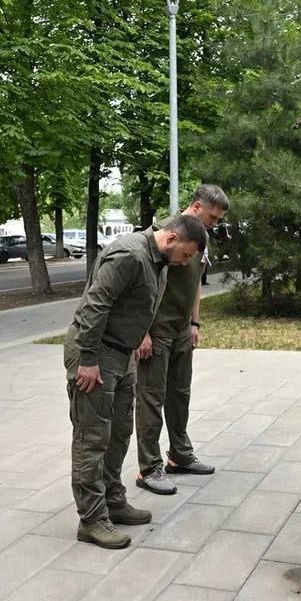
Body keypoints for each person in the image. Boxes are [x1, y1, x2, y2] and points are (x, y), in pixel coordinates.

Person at [65, 215, 208, 550]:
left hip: (121, 353)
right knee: (92, 437)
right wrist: (87, 359)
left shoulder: (157, 260)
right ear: (172, 238)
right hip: (96, 353)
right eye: (186, 254)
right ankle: (91, 519)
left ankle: (113, 501)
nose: (185, 262)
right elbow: (94, 305)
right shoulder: (130, 255)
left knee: (118, 433)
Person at [135, 185, 230, 496]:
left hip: (180, 330)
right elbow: (144, 285)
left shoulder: (201, 237)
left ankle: (180, 455)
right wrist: (143, 331)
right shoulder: (167, 232)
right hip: (156, 329)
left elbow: (195, 285)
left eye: (218, 220)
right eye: (212, 216)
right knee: (152, 397)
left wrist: (194, 322)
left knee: (180, 393)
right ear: (196, 205)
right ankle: (149, 468)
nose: (215, 223)